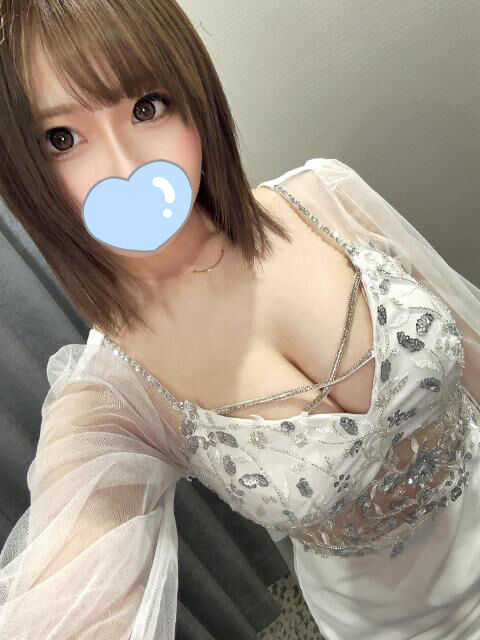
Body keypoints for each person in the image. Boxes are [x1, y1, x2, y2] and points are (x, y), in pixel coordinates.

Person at [0, 2, 479, 639]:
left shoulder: (323, 194)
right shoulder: (110, 396)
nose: (126, 166)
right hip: (399, 628)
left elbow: (470, 342)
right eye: (61, 138)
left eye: (147, 106)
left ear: (193, 97)